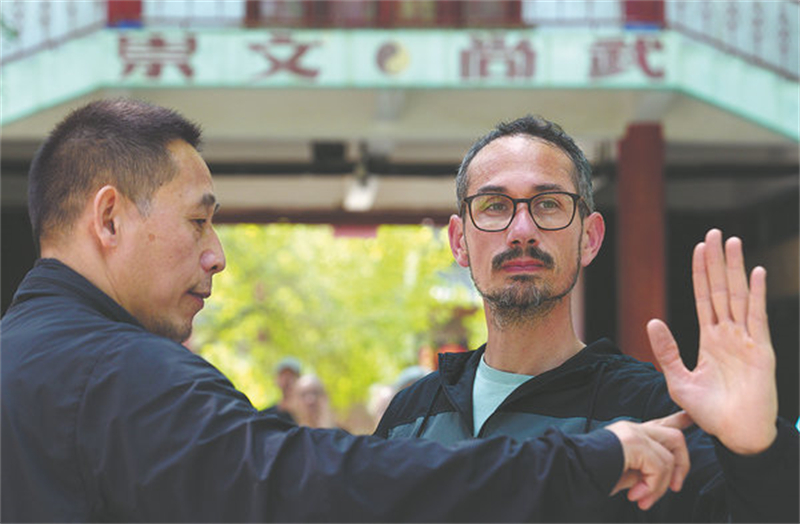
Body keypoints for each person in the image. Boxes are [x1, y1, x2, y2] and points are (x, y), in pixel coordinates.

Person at [1, 99, 695, 522]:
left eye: (548, 206)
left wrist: (762, 443)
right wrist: (591, 460)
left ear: (589, 234)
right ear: (109, 217)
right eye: (198, 222)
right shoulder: (123, 376)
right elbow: (324, 487)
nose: (216, 256)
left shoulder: (649, 401)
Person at [375, 115, 799, 522]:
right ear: (459, 241)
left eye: (548, 204)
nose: (522, 229)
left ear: (590, 238)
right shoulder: (411, 415)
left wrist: (758, 452)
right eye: (493, 206)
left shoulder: (651, 412)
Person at [261, 356, 302, 422]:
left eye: (292, 375)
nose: (287, 379)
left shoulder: (308, 414)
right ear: (276, 379)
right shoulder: (267, 415)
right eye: (284, 375)